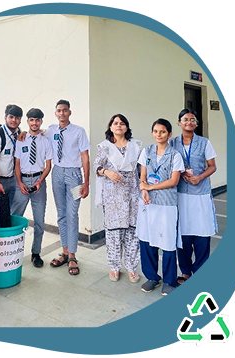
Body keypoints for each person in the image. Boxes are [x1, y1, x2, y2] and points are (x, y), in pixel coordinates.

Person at [136, 118, 184, 296]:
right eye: (155, 131)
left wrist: (150, 187)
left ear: (169, 134)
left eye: (163, 131)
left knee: (167, 241)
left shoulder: (175, 155)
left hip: (166, 204)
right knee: (147, 239)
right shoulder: (146, 151)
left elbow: (174, 180)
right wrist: (144, 189)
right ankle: (152, 277)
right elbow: (143, 176)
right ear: (152, 133)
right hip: (148, 203)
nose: (159, 134)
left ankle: (170, 281)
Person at [170, 108, 218, 284]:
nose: (189, 122)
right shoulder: (173, 143)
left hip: (200, 194)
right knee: (183, 232)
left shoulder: (204, 142)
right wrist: (180, 172)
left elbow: (212, 166)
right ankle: (185, 271)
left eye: (192, 120)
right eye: (185, 119)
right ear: (179, 123)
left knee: (202, 232)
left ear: (196, 124)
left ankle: (201, 270)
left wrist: (199, 177)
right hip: (180, 194)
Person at [93, 114, 142, 283]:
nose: (119, 125)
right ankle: (114, 266)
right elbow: (97, 166)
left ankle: (131, 267)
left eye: (122, 123)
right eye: (115, 123)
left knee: (132, 232)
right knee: (114, 233)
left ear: (126, 127)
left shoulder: (135, 146)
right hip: (112, 195)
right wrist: (106, 172)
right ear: (111, 127)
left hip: (132, 194)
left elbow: (142, 169)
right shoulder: (105, 147)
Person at [47, 99, 90, 275]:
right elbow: (38, 135)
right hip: (57, 173)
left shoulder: (79, 131)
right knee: (61, 214)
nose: (62, 113)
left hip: (74, 176)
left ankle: (72, 255)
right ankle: (64, 252)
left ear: (69, 112)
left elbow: (85, 156)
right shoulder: (51, 130)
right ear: (55, 113)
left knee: (72, 214)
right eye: (59, 110)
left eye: (65, 110)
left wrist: (86, 182)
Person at [11, 108, 53, 267]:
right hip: (22, 180)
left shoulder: (45, 140)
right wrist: (19, 182)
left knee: (39, 220)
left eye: (37, 120)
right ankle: (12, 251)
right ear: (27, 121)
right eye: (31, 120)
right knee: (15, 217)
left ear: (41, 121)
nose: (34, 123)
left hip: (38, 181)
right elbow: (17, 164)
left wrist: (40, 181)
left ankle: (36, 253)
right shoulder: (21, 139)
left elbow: (48, 165)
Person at [0, 104, 23, 207]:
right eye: (11, 117)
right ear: (5, 118)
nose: (14, 120)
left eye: (17, 118)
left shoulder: (19, 133)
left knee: (8, 210)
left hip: (12, 179)